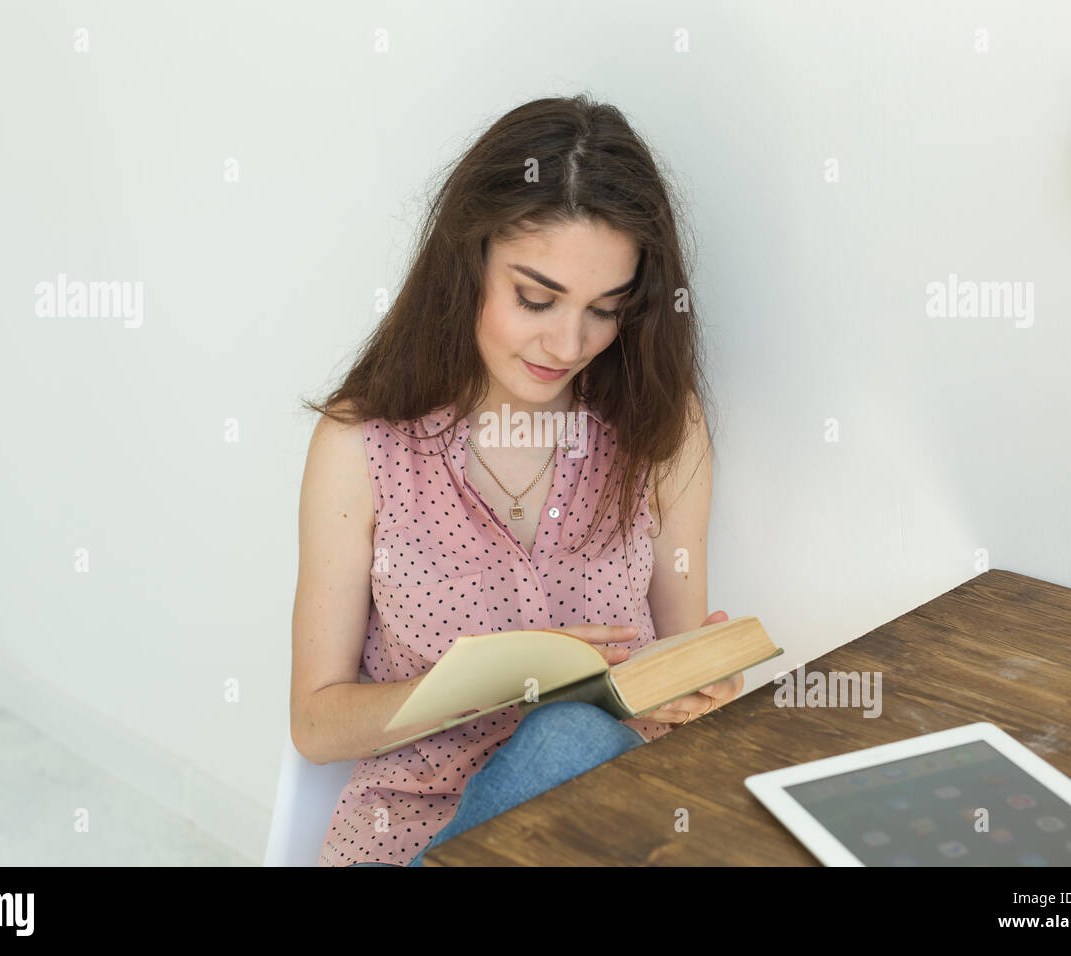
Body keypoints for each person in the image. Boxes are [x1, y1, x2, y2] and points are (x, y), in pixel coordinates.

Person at [290, 94, 742, 867]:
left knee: (577, 740)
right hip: (408, 839)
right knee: (561, 733)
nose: (568, 343)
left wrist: (695, 696)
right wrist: (502, 685)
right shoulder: (363, 445)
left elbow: (670, 673)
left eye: (605, 311)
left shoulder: (662, 428)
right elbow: (316, 723)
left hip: (591, 830)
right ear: (466, 265)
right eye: (536, 298)